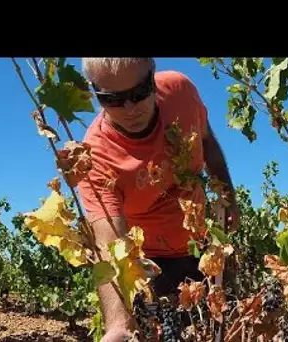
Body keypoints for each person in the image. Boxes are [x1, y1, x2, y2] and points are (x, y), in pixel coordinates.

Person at [76, 58, 239, 342]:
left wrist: (228, 197)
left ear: (152, 73)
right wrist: (116, 324)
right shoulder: (94, 159)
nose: (130, 108)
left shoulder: (180, 91)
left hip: (204, 247)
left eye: (138, 93)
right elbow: (108, 244)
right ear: (95, 93)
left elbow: (208, 143)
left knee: (224, 329)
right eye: (112, 99)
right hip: (152, 265)